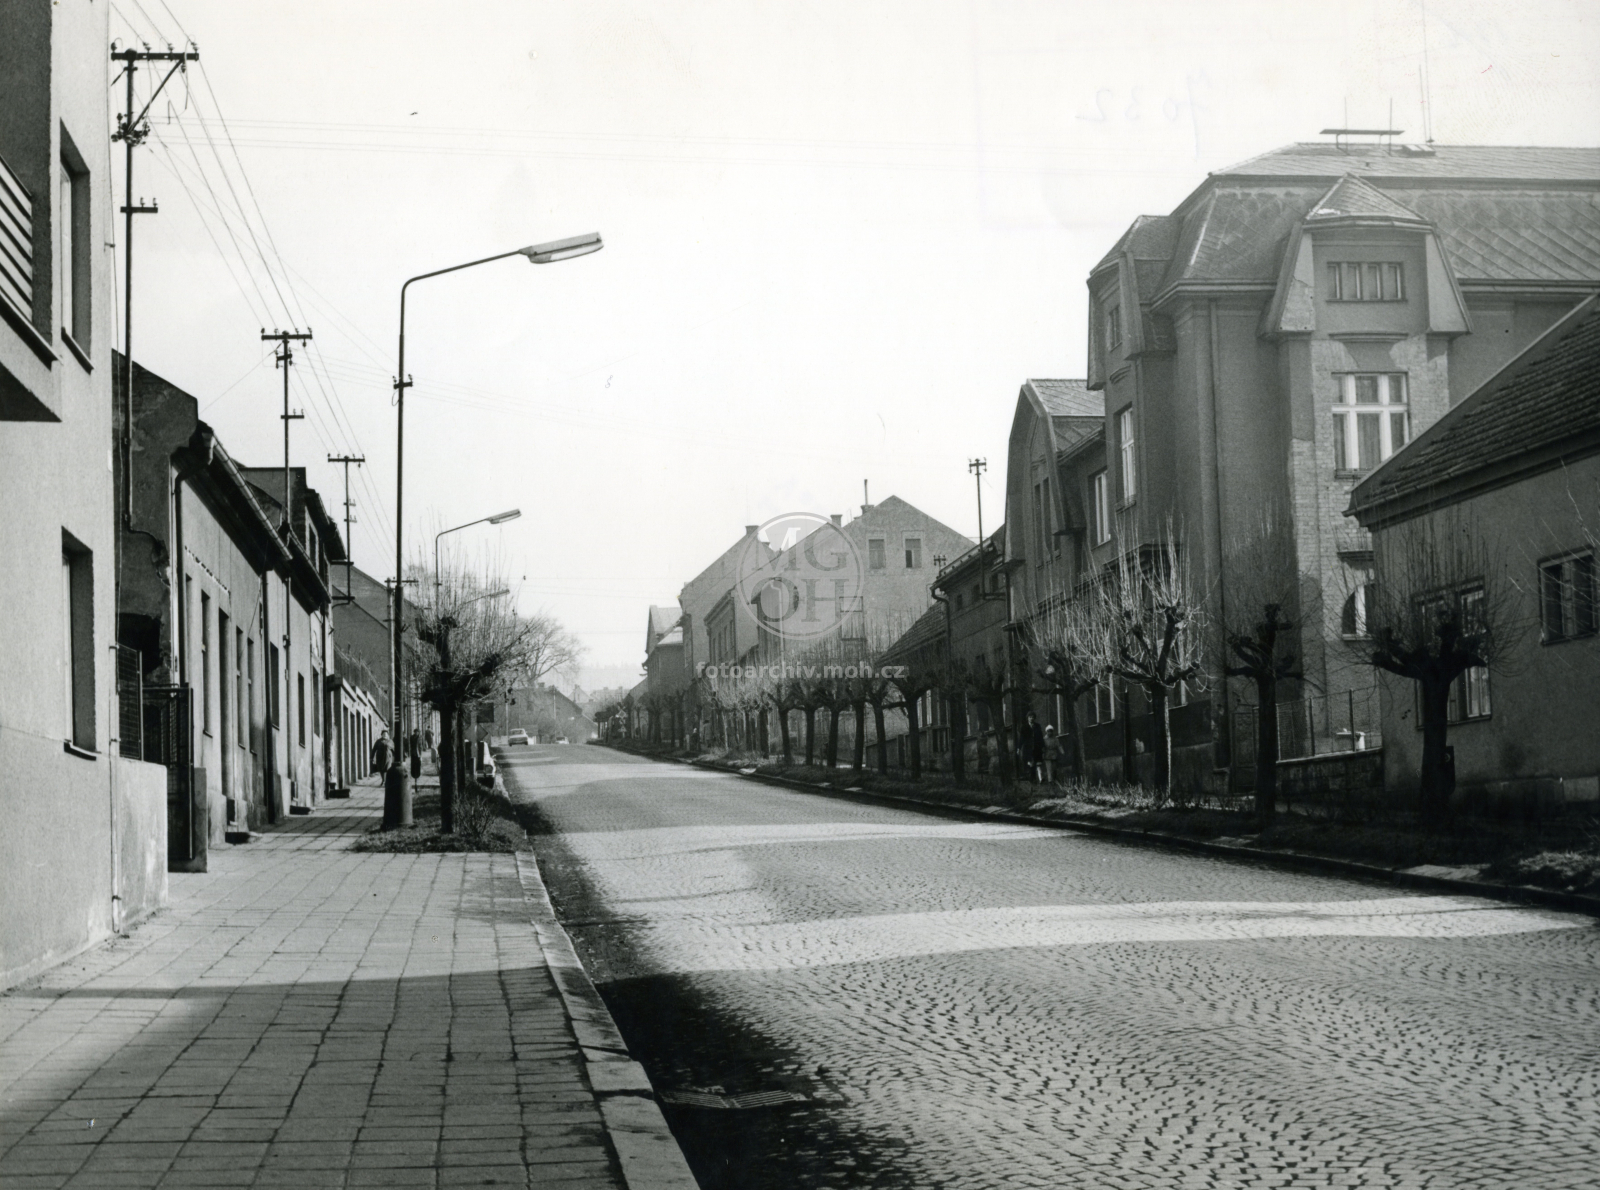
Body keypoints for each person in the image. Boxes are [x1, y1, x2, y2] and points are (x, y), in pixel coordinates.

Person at [1021, 711, 1044, 782]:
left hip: (1037, 747)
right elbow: (1021, 738)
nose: (1031, 718)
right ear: (1027, 718)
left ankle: (1040, 779)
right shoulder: (1024, 727)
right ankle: (1032, 779)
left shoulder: (1037, 726)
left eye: (1033, 717)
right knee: (1031, 763)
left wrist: (1042, 746)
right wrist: (1019, 747)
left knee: (1038, 763)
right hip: (1028, 748)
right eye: (1030, 717)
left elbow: (1040, 737)